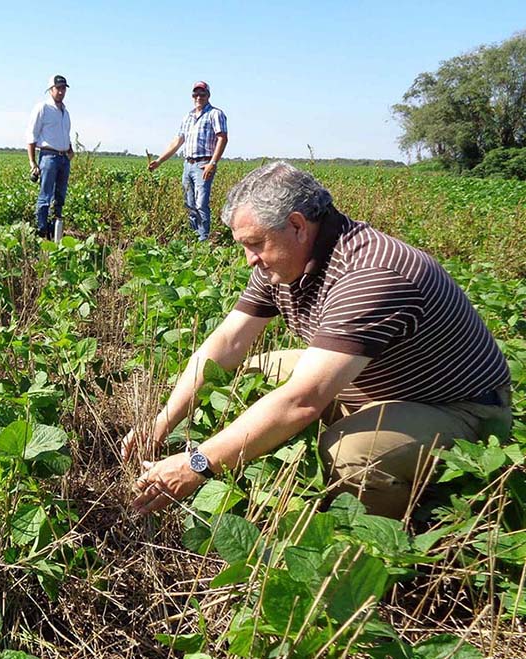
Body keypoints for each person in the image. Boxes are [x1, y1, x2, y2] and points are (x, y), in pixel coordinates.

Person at [123, 161, 512, 520]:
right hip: (367, 382)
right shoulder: (284, 261)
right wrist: (162, 423)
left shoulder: (372, 273)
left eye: (255, 244)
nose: (248, 259)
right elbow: (227, 344)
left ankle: (378, 542)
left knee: (350, 453)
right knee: (249, 374)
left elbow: (301, 402)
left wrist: (198, 463)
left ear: (297, 225)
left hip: (456, 408)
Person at [148, 81, 228, 242]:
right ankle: (193, 237)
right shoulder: (188, 117)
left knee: (201, 203)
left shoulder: (215, 114)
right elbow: (177, 142)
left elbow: (222, 138)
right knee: (189, 203)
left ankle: (203, 240)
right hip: (188, 164)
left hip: (203, 164)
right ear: (192, 96)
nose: (198, 97)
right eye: (195, 94)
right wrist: (159, 161)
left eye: (202, 94)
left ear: (208, 95)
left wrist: (212, 163)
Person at [27, 75, 74, 239]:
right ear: (51, 89)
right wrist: (33, 162)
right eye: (58, 88)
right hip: (48, 157)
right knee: (45, 196)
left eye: (63, 88)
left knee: (60, 196)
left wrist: (70, 149)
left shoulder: (65, 112)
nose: (61, 92)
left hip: (63, 159)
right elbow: (31, 136)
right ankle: (42, 231)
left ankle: (55, 231)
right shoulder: (43, 108)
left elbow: (65, 134)